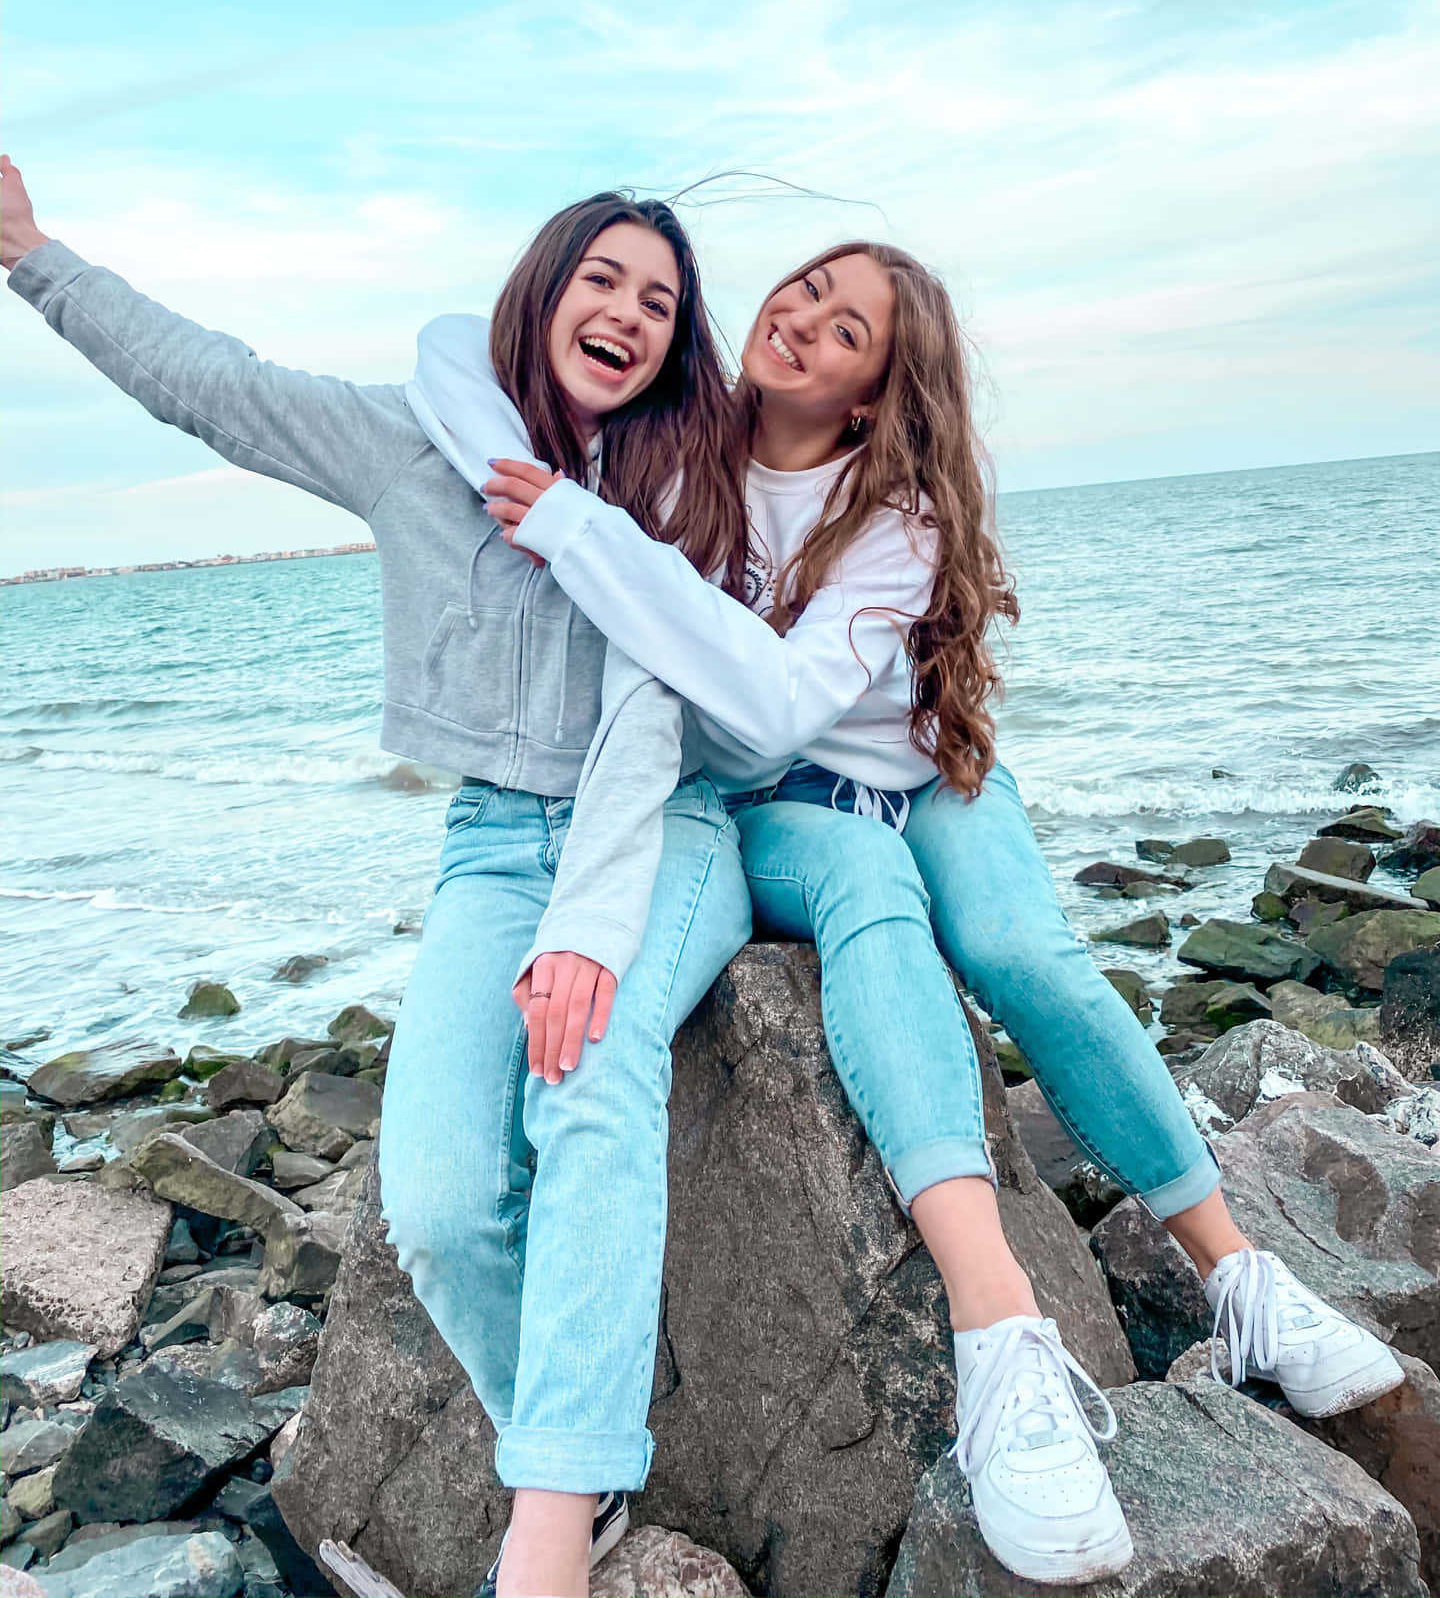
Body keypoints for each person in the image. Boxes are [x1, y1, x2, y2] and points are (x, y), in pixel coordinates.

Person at [416, 237, 1405, 1587]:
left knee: (1018, 949)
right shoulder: (678, 449)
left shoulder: (897, 515)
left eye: (846, 330)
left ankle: (1236, 1276)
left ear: (880, 390)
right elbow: (447, 356)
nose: (803, 323)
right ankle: (1006, 1343)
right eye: (802, 295)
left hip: (920, 773)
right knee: (868, 892)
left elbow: (780, 691)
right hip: (784, 810)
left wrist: (575, 527)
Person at [0, 157, 754, 1598]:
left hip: (657, 827)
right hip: (488, 842)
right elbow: (208, 382)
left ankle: (548, 1517)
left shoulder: (682, 480)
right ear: (541, 294)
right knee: (439, 1205)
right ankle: (576, 1446)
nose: (628, 314)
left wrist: (590, 928)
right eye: (601, 279)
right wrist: (32, 254)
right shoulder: (411, 443)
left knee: (588, 1069)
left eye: (659, 301)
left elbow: (660, 712)